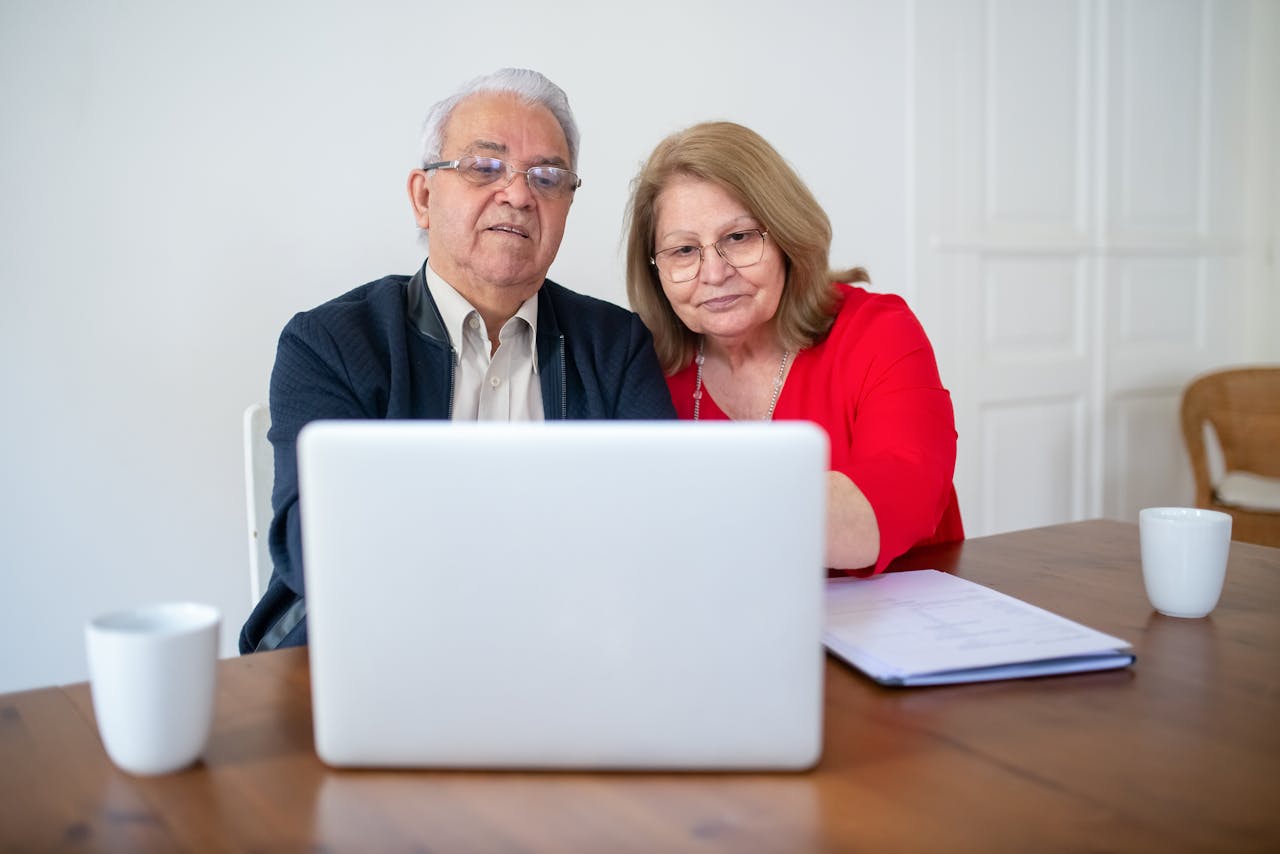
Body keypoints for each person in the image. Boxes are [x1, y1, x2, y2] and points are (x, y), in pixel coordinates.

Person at [241, 69, 675, 653]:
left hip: (569, 656)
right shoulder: (331, 343)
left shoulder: (615, 345)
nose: (519, 194)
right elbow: (315, 547)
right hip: (375, 656)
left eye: (547, 177)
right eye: (484, 167)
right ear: (423, 197)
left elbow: (659, 535)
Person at [625, 121, 962, 574]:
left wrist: (695, 506)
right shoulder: (639, 368)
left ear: (786, 236)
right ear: (656, 271)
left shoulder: (878, 331)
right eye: (684, 250)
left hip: (901, 622)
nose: (714, 272)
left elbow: (908, 493)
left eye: (739, 238)